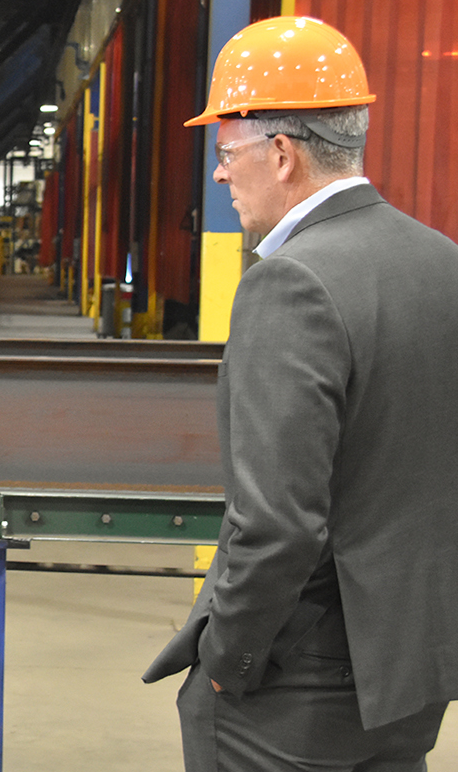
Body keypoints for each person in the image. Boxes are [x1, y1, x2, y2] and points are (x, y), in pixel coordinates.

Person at [144, 16, 458, 771]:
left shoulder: (290, 283)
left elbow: (277, 523)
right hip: (408, 674)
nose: (219, 176)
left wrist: (230, 660)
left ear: (281, 153)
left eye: (226, 154)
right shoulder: (441, 261)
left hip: (296, 686)